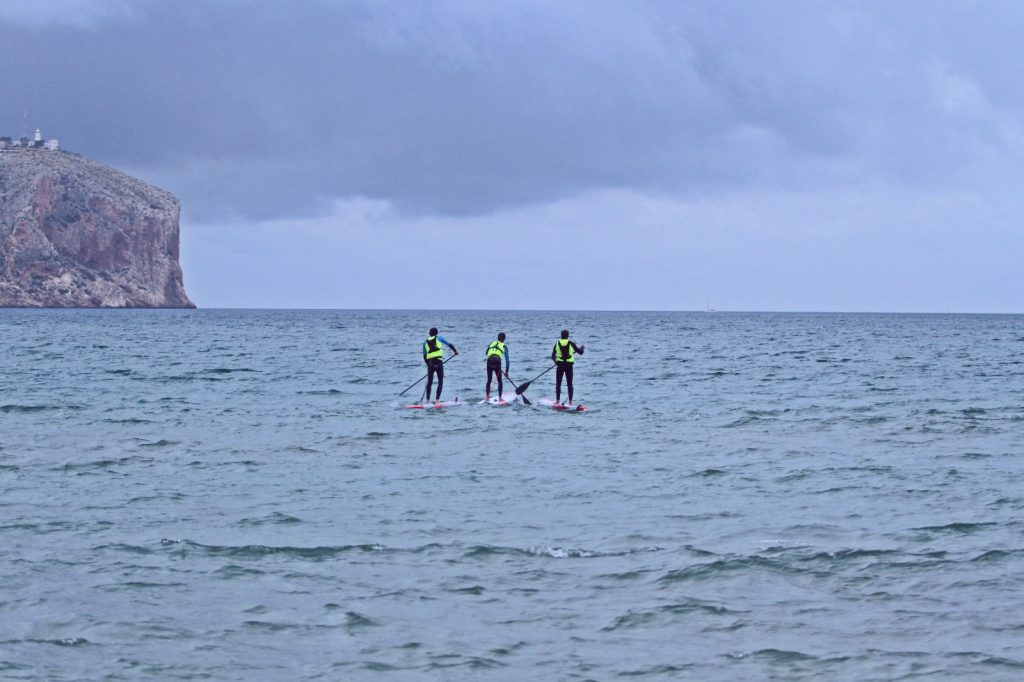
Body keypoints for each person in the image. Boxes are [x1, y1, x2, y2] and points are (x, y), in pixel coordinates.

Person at [422, 327, 458, 404]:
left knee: (429, 382)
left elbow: (425, 356)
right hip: (438, 362)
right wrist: (455, 351)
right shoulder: (439, 338)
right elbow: (449, 344)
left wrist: (428, 365)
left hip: (430, 363)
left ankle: (427, 400)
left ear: (429, 334)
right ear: (436, 334)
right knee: (440, 381)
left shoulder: (425, 342)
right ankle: (437, 400)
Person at [551, 329, 584, 405]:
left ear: (561, 336)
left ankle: (557, 401)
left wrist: (555, 362)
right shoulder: (571, 343)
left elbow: (552, 356)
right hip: (569, 366)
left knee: (558, 383)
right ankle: (570, 402)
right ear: (568, 336)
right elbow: (580, 353)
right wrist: (582, 348)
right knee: (570, 384)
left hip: (560, 365)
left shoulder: (557, 344)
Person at [485, 333, 510, 400]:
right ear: (504, 339)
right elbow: (507, 360)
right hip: (497, 362)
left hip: (489, 361)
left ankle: (487, 397)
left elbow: (486, 353)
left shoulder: (492, 343)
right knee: (499, 381)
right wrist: (507, 371)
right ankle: (500, 398)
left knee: (489, 380)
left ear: (497, 338)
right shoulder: (504, 346)